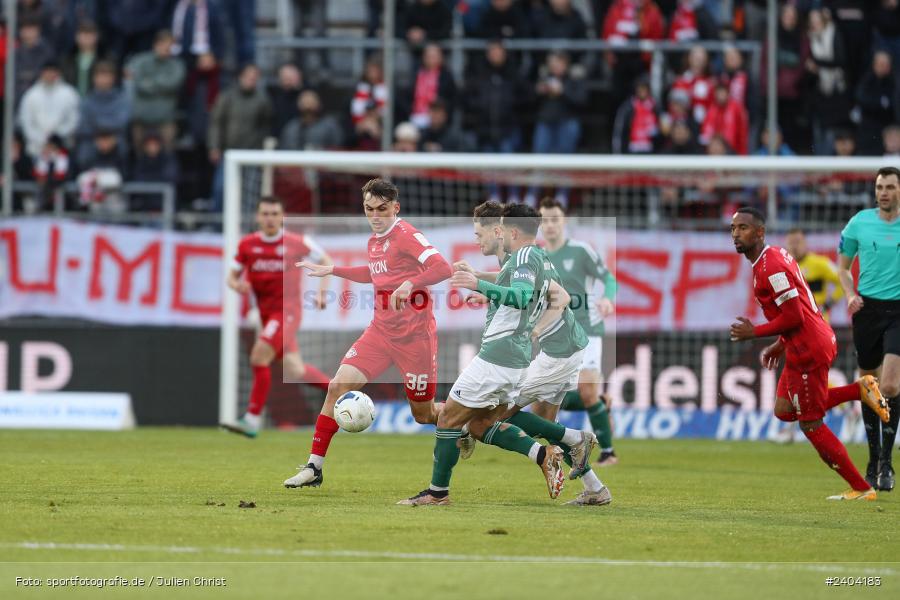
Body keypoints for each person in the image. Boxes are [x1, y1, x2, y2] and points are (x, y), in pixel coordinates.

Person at [397, 203, 580, 506]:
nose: (478, 239)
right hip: (515, 358)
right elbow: (529, 293)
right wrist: (486, 288)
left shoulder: (522, 256)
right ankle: (545, 452)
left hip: (499, 356)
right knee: (481, 425)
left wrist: (477, 283)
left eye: (480, 232)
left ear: (507, 230)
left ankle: (437, 493)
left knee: (448, 420)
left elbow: (522, 297)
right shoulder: (537, 258)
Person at [284, 178, 452, 488]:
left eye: (382, 209)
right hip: (380, 332)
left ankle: (461, 423)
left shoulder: (408, 236)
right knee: (337, 387)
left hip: (415, 339)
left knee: (424, 414)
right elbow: (374, 274)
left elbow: (444, 268)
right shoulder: (374, 240)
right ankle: (314, 466)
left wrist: (411, 284)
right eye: (369, 209)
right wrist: (332, 270)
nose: (375, 216)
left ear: (395, 208)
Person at [452, 201, 610, 506]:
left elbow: (561, 296)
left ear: (506, 231)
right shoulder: (523, 258)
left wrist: (536, 329)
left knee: (498, 411)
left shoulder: (526, 257)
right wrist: (477, 275)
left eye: (488, 230)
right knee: (544, 426)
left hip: (559, 353)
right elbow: (517, 283)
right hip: (565, 349)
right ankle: (594, 487)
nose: (486, 235)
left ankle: (578, 438)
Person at [729, 207, 889, 501]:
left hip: (808, 347)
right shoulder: (772, 257)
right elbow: (797, 309)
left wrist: (756, 332)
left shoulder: (771, 268)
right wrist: (779, 344)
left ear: (760, 232)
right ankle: (859, 390)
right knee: (783, 409)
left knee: (811, 422)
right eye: (734, 228)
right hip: (801, 342)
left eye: (743, 228)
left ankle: (862, 488)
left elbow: (794, 318)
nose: (736, 233)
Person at [221, 196, 334, 438]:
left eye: (274, 214)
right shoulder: (247, 245)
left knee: (259, 356)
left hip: (287, 313)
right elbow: (231, 275)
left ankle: (251, 419)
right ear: (257, 217)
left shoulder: (296, 243)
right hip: (266, 315)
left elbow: (326, 260)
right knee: (295, 370)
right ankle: (339, 391)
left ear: (282, 217)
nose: (270, 218)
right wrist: (236, 284)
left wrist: (322, 292)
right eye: (265, 214)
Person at [539, 198, 620, 466]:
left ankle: (608, 452)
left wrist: (608, 299)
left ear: (564, 222)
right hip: (555, 334)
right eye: (545, 220)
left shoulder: (581, 251)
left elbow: (608, 277)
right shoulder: (538, 256)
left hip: (586, 328)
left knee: (585, 390)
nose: (550, 225)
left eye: (555, 219)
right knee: (545, 399)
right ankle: (600, 404)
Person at [837, 166, 900, 491]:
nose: (884, 192)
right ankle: (873, 458)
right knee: (868, 384)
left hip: (898, 311)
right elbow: (843, 267)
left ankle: (887, 462)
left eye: (890, 186)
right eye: (880, 187)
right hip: (867, 309)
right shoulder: (859, 223)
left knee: (889, 385)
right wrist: (849, 295)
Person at [785, 229, 843, 321]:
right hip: (794, 324)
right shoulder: (783, 267)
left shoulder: (821, 263)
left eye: (797, 242)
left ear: (805, 243)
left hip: (817, 321)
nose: (794, 246)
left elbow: (843, 282)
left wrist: (829, 304)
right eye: (791, 243)